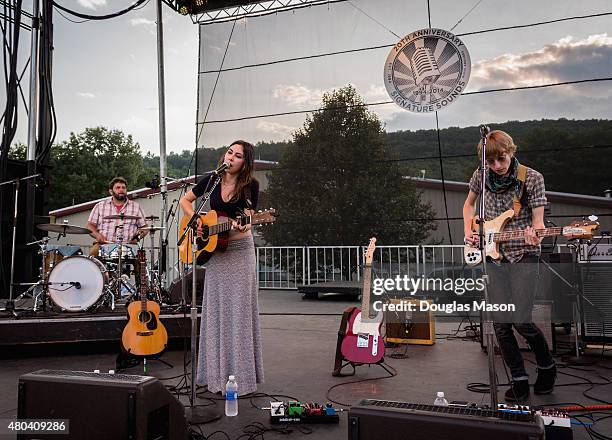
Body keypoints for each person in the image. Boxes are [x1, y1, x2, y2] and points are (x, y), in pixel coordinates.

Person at [462, 130, 556, 402]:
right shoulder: (481, 175)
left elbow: (538, 223)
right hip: (492, 255)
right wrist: (469, 230)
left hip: (523, 253)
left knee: (520, 320)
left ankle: (547, 366)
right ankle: (519, 379)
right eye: (490, 162)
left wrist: (535, 233)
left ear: (511, 151)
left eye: (501, 159)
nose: (496, 166)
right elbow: (468, 206)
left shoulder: (532, 178)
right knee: (500, 325)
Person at [179, 140, 264, 395]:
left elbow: (249, 219)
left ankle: (241, 377)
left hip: (240, 253)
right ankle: (214, 375)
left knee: (239, 313)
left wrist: (244, 224)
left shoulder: (250, 186)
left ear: (244, 162)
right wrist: (196, 223)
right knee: (215, 312)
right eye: (229, 152)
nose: (231, 157)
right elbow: (186, 200)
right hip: (215, 252)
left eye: (238, 156)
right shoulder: (212, 180)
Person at [87, 177, 147, 256]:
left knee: (140, 259)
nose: (121, 190)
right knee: (93, 254)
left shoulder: (136, 207)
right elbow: (90, 226)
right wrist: (97, 235)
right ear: (111, 191)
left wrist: (137, 238)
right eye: (118, 188)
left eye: (123, 188)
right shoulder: (100, 206)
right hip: (104, 245)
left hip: (129, 247)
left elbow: (145, 227)